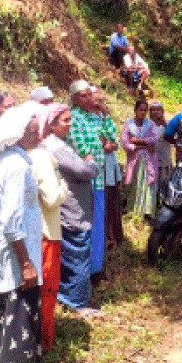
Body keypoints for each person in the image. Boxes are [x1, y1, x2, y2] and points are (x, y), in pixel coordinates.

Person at [0, 102, 45, 363]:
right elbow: (11, 222)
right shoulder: (18, 166)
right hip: (17, 263)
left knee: (0, 325)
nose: (39, 137)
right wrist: (27, 263)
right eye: (33, 132)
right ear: (18, 134)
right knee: (19, 328)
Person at [42, 103, 102, 316]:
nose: (70, 124)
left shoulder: (53, 144)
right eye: (65, 120)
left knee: (69, 256)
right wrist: (91, 163)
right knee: (77, 255)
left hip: (66, 210)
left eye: (70, 119)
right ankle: (78, 304)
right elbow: (84, 171)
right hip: (73, 211)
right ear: (51, 124)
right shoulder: (57, 147)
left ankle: (66, 297)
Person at [27, 103, 71, 349]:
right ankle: (45, 341)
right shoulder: (42, 156)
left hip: (33, 232)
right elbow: (52, 199)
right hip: (47, 231)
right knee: (47, 290)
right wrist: (64, 185)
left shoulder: (24, 153)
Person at [66, 81, 107, 278]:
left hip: (98, 179)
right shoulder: (73, 118)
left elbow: (108, 136)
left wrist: (103, 113)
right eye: (83, 95)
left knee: (98, 224)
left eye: (89, 95)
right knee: (86, 226)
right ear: (74, 98)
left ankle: (96, 268)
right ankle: (86, 272)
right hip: (84, 181)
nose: (89, 99)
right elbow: (82, 151)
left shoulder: (92, 117)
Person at [93, 89, 124, 249]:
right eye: (96, 100)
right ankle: (104, 238)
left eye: (101, 101)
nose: (99, 104)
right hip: (98, 168)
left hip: (110, 166)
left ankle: (113, 236)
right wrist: (107, 144)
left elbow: (114, 143)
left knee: (111, 202)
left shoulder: (105, 118)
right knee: (102, 203)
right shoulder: (89, 120)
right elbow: (102, 144)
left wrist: (110, 144)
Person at [122, 100, 159, 218]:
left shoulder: (151, 124)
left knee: (148, 183)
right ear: (135, 110)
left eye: (145, 110)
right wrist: (144, 146)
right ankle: (133, 210)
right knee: (135, 182)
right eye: (140, 109)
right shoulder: (128, 125)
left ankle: (147, 212)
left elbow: (155, 139)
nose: (142, 112)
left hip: (149, 160)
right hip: (135, 160)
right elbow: (125, 144)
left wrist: (138, 141)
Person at [149, 101, 173, 211]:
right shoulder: (146, 124)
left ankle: (163, 208)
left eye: (158, 109)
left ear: (162, 112)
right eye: (153, 109)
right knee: (152, 187)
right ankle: (151, 210)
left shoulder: (168, 124)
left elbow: (174, 138)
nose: (156, 112)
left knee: (164, 185)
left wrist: (164, 122)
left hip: (164, 161)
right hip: (150, 162)